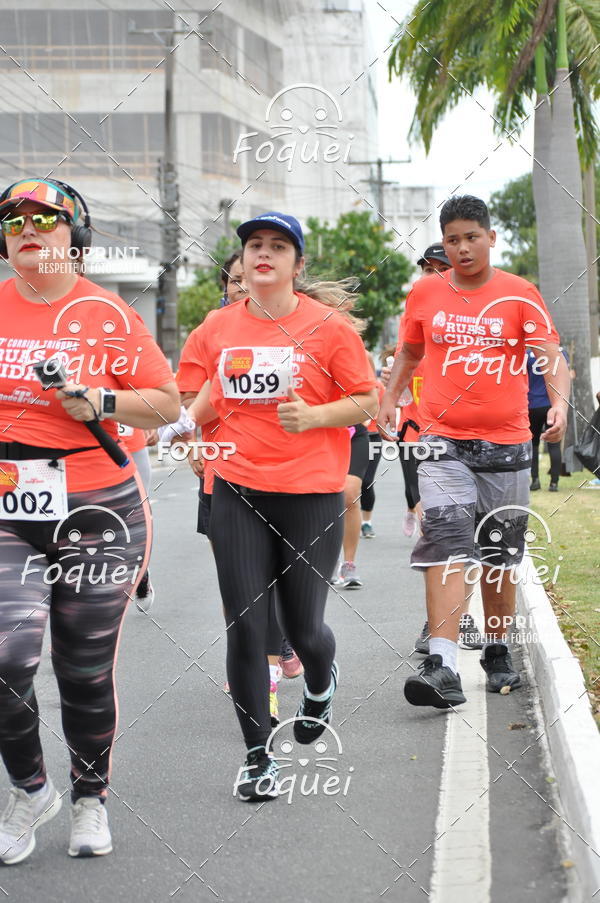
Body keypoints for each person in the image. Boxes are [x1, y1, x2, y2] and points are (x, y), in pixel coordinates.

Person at [0, 178, 179, 863]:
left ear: (74, 236)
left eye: (44, 218)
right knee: (6, 658)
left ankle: (89, 797)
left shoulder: (108, 315)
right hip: (10, 505)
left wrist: (101, 401)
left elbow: (166, 404)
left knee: (81, 668)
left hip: (99, 509)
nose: (26, 228)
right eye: (13, 219)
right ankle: (31, 789)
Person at [178, 212, 377, 800]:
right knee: (246, 624)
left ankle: (320, 680)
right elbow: (201, 396)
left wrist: (315, 417)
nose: (263, 254)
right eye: (254, 246)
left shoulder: (328, 328)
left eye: (278, 246)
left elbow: (367, 401)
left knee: (302, 627)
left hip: (309, 492)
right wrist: (186, 433)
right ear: (241, 263)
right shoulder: (216, 327)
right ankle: (258, 756)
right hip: (237, 487)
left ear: (297, 263)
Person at [379, 195, 570, 707]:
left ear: (490, 238)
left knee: (498, 553)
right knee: (445, 540)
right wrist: (390, 398)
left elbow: (549, 355)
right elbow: (410, 351)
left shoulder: (519, 293)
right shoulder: (425, 292)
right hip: (441, 441)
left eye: (471, 237)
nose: (462, 248)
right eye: (452, 240)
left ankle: (497, 649)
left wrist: (558, 404)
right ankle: (441, 664)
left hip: (507, 444)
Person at [527, 348, 563, 492]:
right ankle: (554, 483)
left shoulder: (527, 354)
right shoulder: (559, 352)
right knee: (554, 444)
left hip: (532, 405)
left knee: (533, 445)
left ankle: (535, 480)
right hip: (551, 405)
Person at [360, 357, 385, 539]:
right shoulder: (347, 385)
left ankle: (366, 522)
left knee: (367, 481)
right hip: (349, 437)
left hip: (372, 437)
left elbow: (379, 410)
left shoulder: (378, 388)